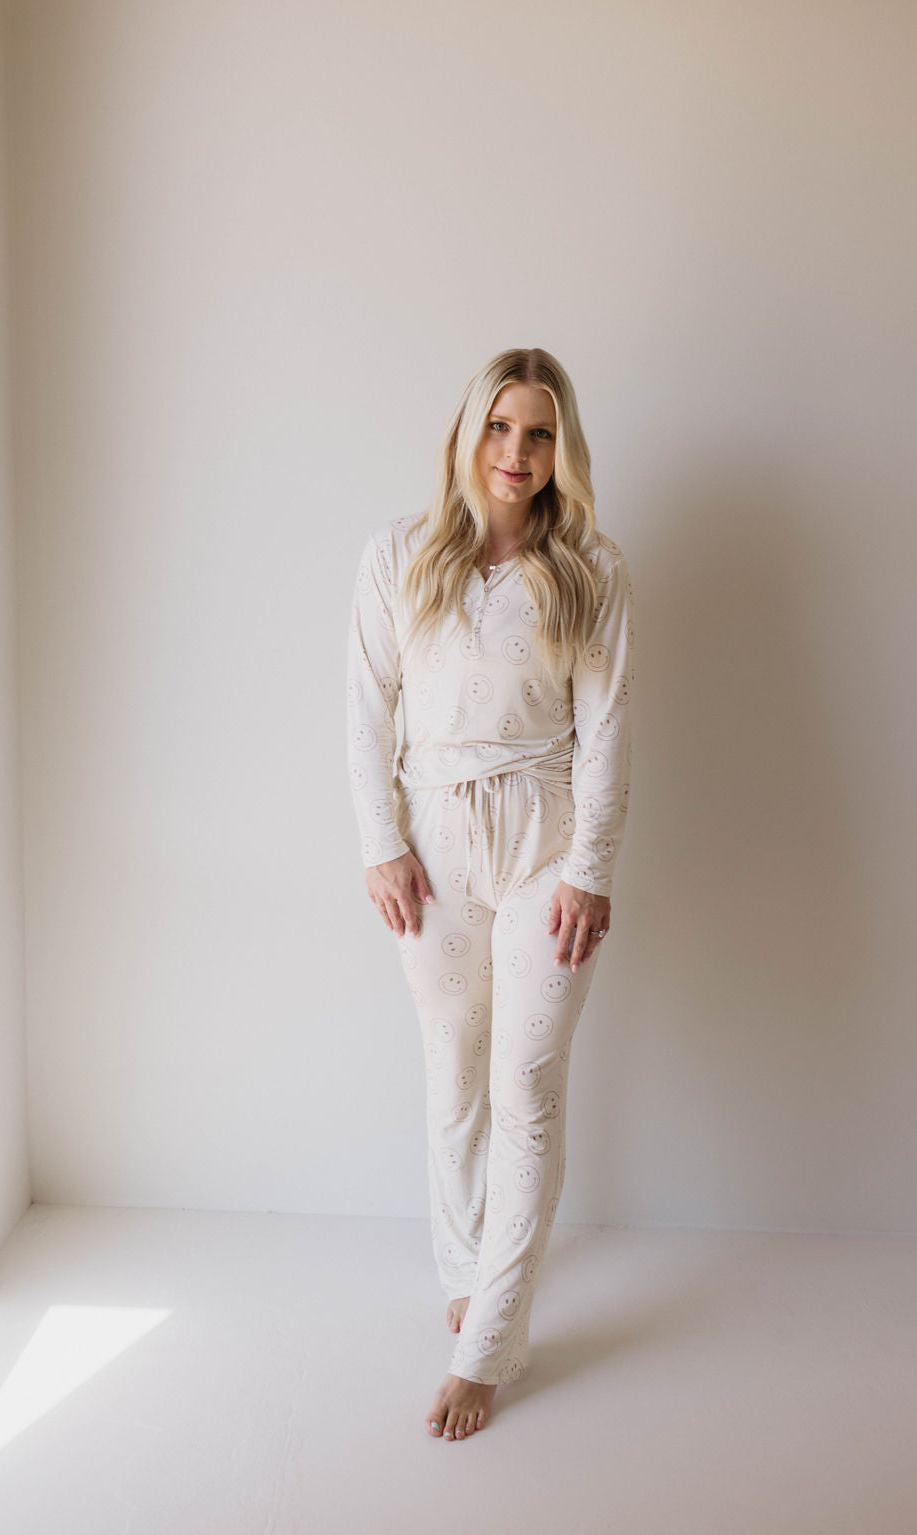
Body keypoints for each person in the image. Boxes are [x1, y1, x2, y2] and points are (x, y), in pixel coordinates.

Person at [345, 346, 635, 1442]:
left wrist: (590, 870)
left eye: (541, 432)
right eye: (502, 427)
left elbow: (606, 734)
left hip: (544, 842)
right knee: (454, 1070)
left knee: (526, 1081)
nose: (517, 453)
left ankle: (488, 1343)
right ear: (468, 434)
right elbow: (365, 710)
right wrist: (382, 843)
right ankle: (465, 1270)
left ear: (563, 450)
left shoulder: (593, 569)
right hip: (433, 837)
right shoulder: (397, 558)